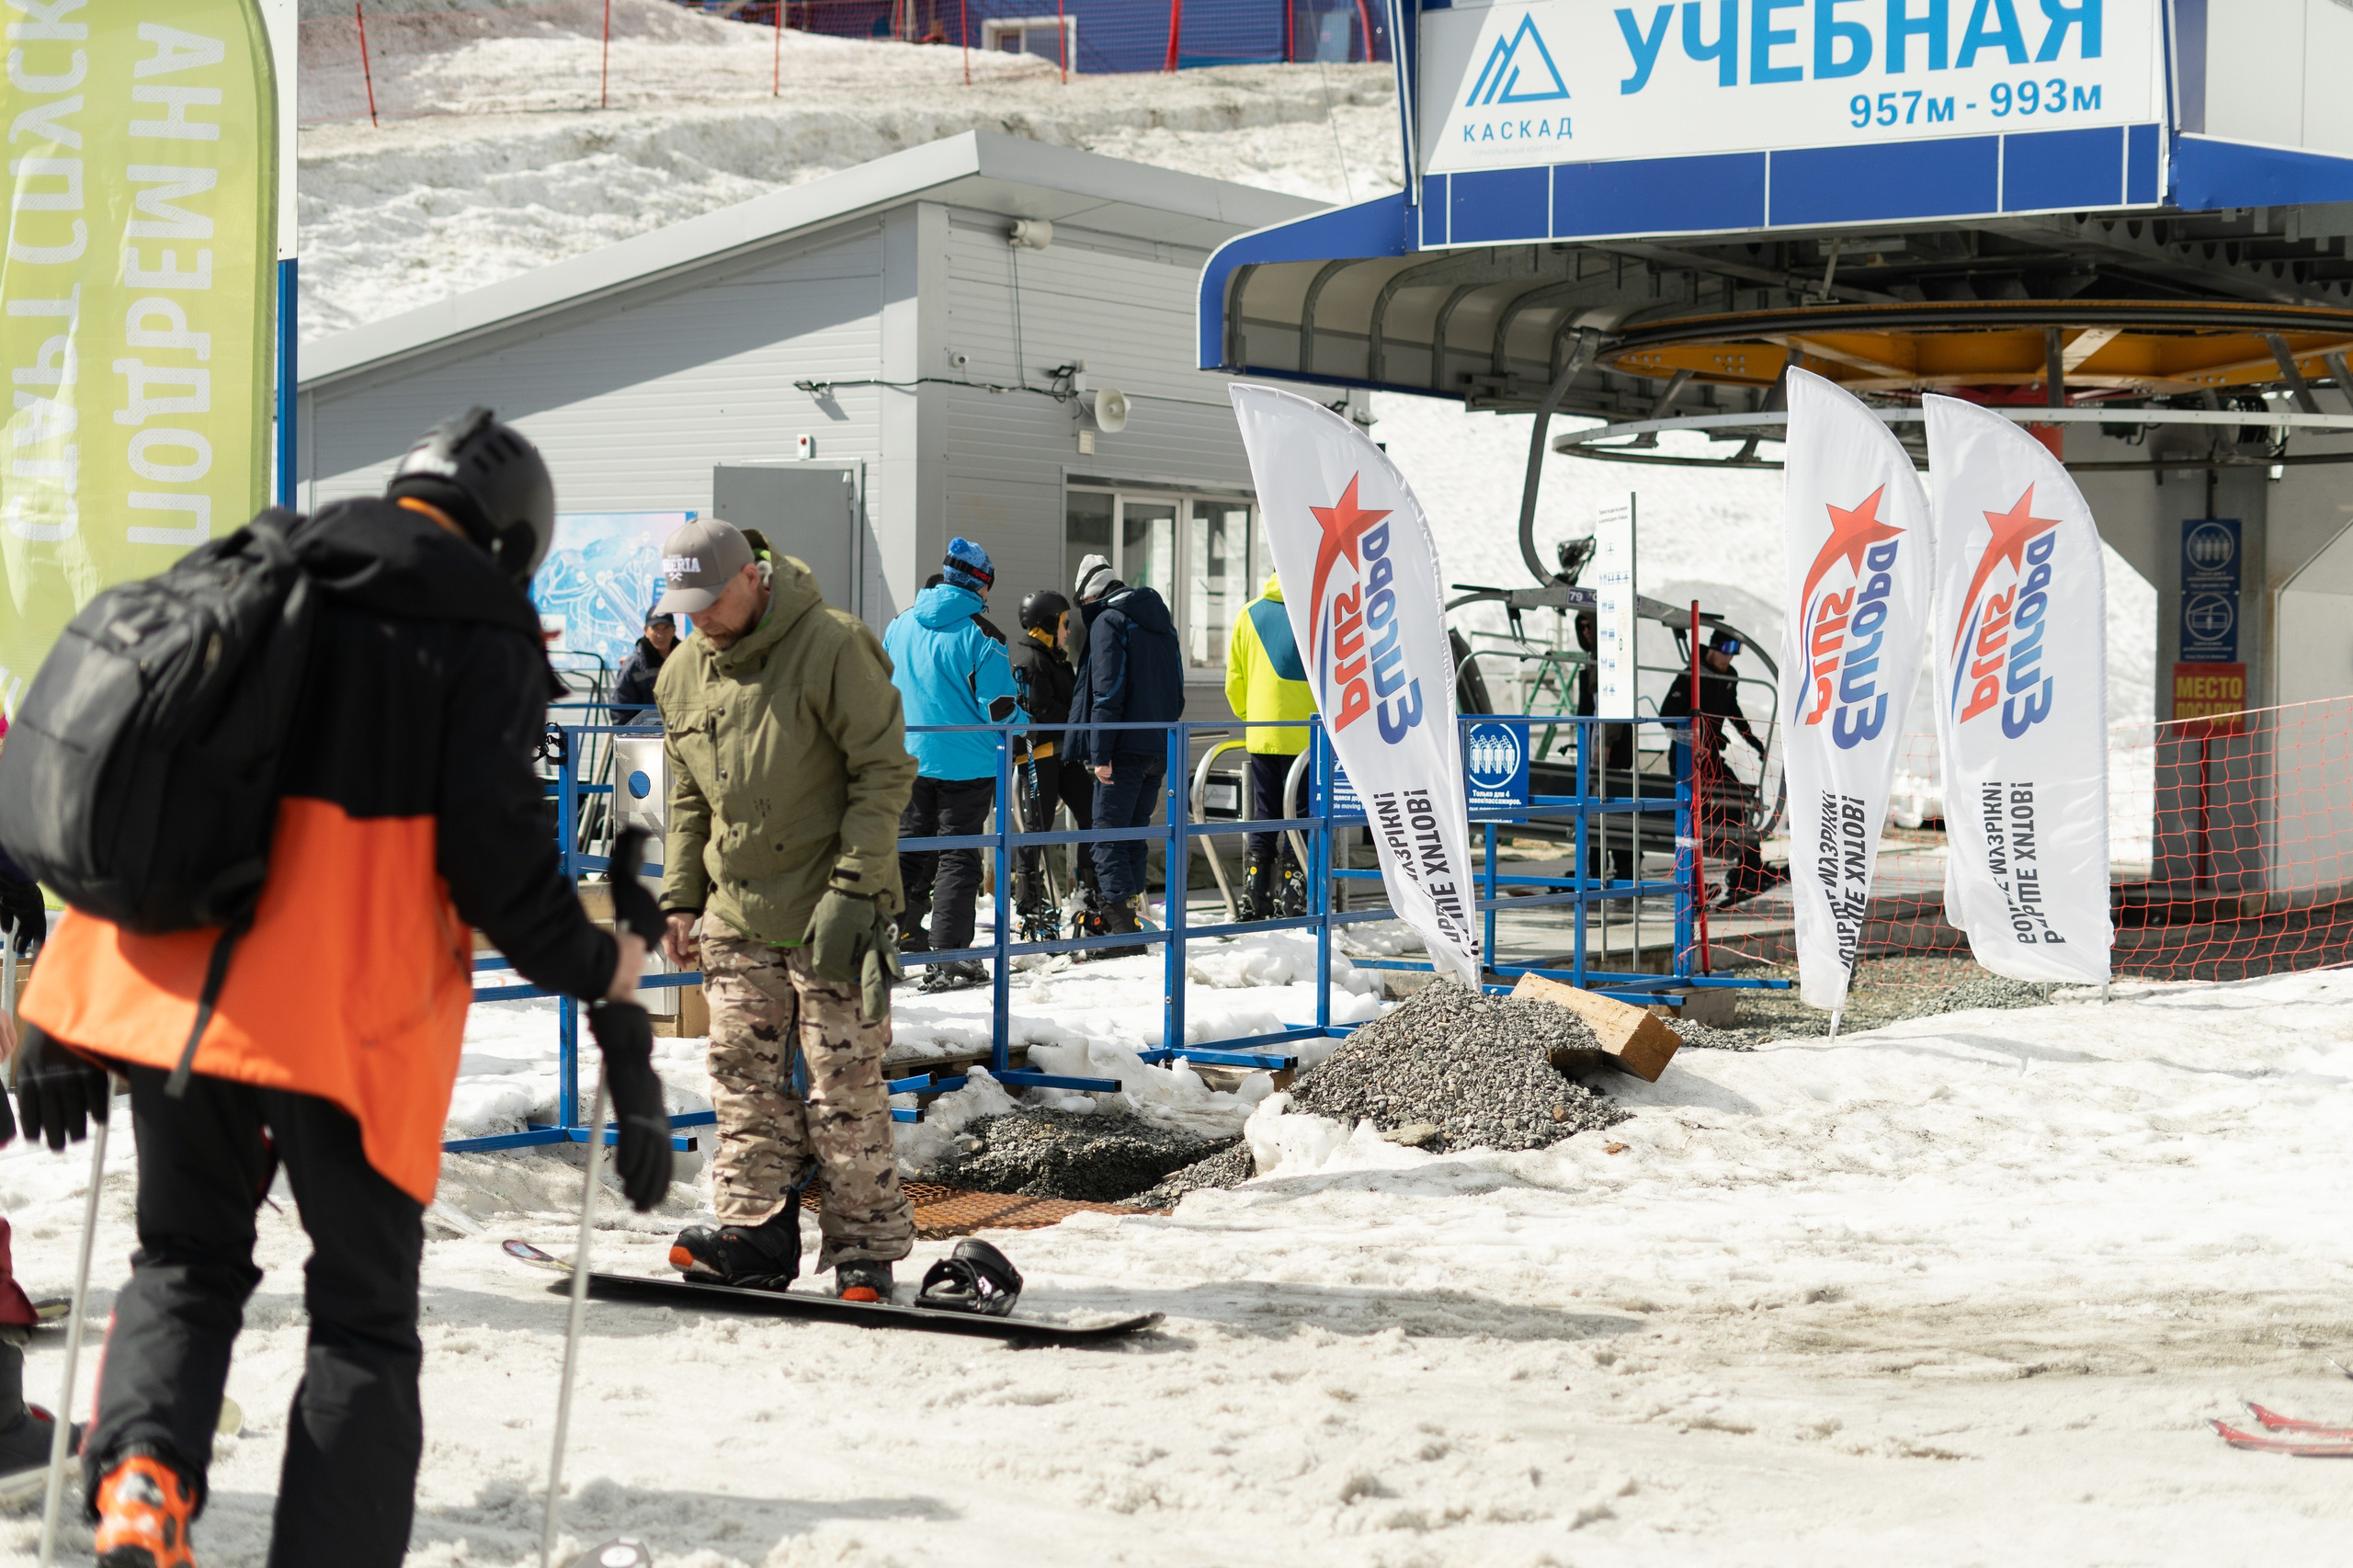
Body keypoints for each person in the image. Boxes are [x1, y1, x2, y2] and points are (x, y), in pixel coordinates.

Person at [9, 407, 673, 1565]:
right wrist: (602, 959)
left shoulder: (257, 568)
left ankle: (140, 1489)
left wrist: (54, 1008)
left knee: (182, 1257)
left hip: (173, 997)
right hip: (346, 1019)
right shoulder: (480, 633)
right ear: (512, 539)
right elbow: (499, 870)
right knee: (362, 1316)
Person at [651, 517, 918, 1302]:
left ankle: (864, 1247)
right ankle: (755, 1235)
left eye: (708, 599)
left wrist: (855, 888)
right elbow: (690, 796)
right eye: (684, 604)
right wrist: (680, 898)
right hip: (736, 908)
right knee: (743, 1083)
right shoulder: (682, 675)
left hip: (832, 903)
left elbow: (884, 774)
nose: (697, 618)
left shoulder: (834, 645)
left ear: (752, 575)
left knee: (843, 1084)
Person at [881, 539, 1023, 993]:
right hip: (966, 766)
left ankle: (885, 948)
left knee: (907, 852)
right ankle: (951, 958)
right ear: (981, 585)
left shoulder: (899, 625)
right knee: (958, 857)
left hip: (907, 758)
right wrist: (1028, 722)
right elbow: (1000, 712)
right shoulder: (985, 638)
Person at [1071, 553, 1185, 958]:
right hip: (1158, 747)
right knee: (1134, 834)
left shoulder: (1109, 622)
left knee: (1107, 837)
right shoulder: (1160, 622)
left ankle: (1122, 932)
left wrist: (1099, 753)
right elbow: (1179, 692)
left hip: (1121, 751)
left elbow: (1107, 691)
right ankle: (1133, 922)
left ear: (1092, 595)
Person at [1660, 627, 1778, 908]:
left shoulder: (1728, 676)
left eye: (1734, 653)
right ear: (1713, 648)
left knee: (1741, 799)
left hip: (1712, 756)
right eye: (1726, 652)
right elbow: (1667, 714)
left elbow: (1732, 711)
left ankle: (1750, 870)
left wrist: (1753, 743)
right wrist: (1693, 735)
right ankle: (1695, 877)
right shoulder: (1692, 673)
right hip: (1688, 758)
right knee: (1698, 814)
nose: (1729, 660)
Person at [1222, 573, 1313, 921]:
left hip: (1261, 734)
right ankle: (1293, 899)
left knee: (1266, 813)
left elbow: (1234, 680)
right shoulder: (1312, 614)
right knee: (1302, 816)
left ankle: (1255, 897)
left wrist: (1252, 717)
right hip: (1307, 736)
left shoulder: (1249, 614)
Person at [1007, 588, 1096, 938]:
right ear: (1045, 624)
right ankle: (1028, 900)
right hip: (1039, 754)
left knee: (1092, 814)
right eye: (1063, 623)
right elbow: (1042, 712)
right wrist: (1080, 717)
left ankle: (1089, 887)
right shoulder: (1030, 661)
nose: (1068, 631)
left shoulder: (1056, 658)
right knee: (1037, 826)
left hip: (1066, 754)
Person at [611, 602, 677, 722]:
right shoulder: (634, 666)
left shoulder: (686, 660)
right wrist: (631, 738)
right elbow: (621, 711)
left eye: (666, 628)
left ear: (673, 630)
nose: (660, 634)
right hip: (645, 737)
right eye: (656, 628)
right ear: (646, 630)